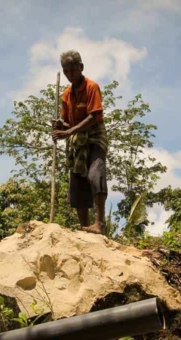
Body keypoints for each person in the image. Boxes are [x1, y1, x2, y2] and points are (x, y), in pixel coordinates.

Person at [52, 50, 108, 234]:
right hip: (78, 140)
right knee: (77, 181)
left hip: (94, 136)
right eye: (66, 71)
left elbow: (94, 116)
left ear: (81, 67)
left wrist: (68, 131)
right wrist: (61, 125)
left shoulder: (92, 87)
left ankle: (99, 223)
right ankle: (84, 227)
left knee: (95, 173)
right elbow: (68, 121)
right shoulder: (67, 95)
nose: (69, 74)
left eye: (73, 70)